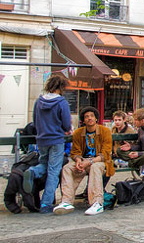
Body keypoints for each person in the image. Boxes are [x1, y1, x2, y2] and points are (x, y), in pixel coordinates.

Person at [22, 75, 72, 214]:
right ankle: (46, 204)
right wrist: (65, 130)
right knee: (53, 171)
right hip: (56, 139)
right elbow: (67, 124)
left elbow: (34, 121)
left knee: (44, 163)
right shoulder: (61, 102)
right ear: (61, 87)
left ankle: (33, 171)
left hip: (41, 139)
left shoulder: (38, 101)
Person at [53, 107, 114, 216]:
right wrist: (77, 160)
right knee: (67, 168)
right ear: (83, 120)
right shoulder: (78, 133)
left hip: (99, 161)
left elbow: (106, 154)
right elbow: (75, 151)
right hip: (83, 161)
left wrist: (90, 161)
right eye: (86, 117)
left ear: (96, 119)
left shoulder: (105, 131)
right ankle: (66, 201)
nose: (89, 118)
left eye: (92, 116)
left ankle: (97, 202)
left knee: (95, 168)